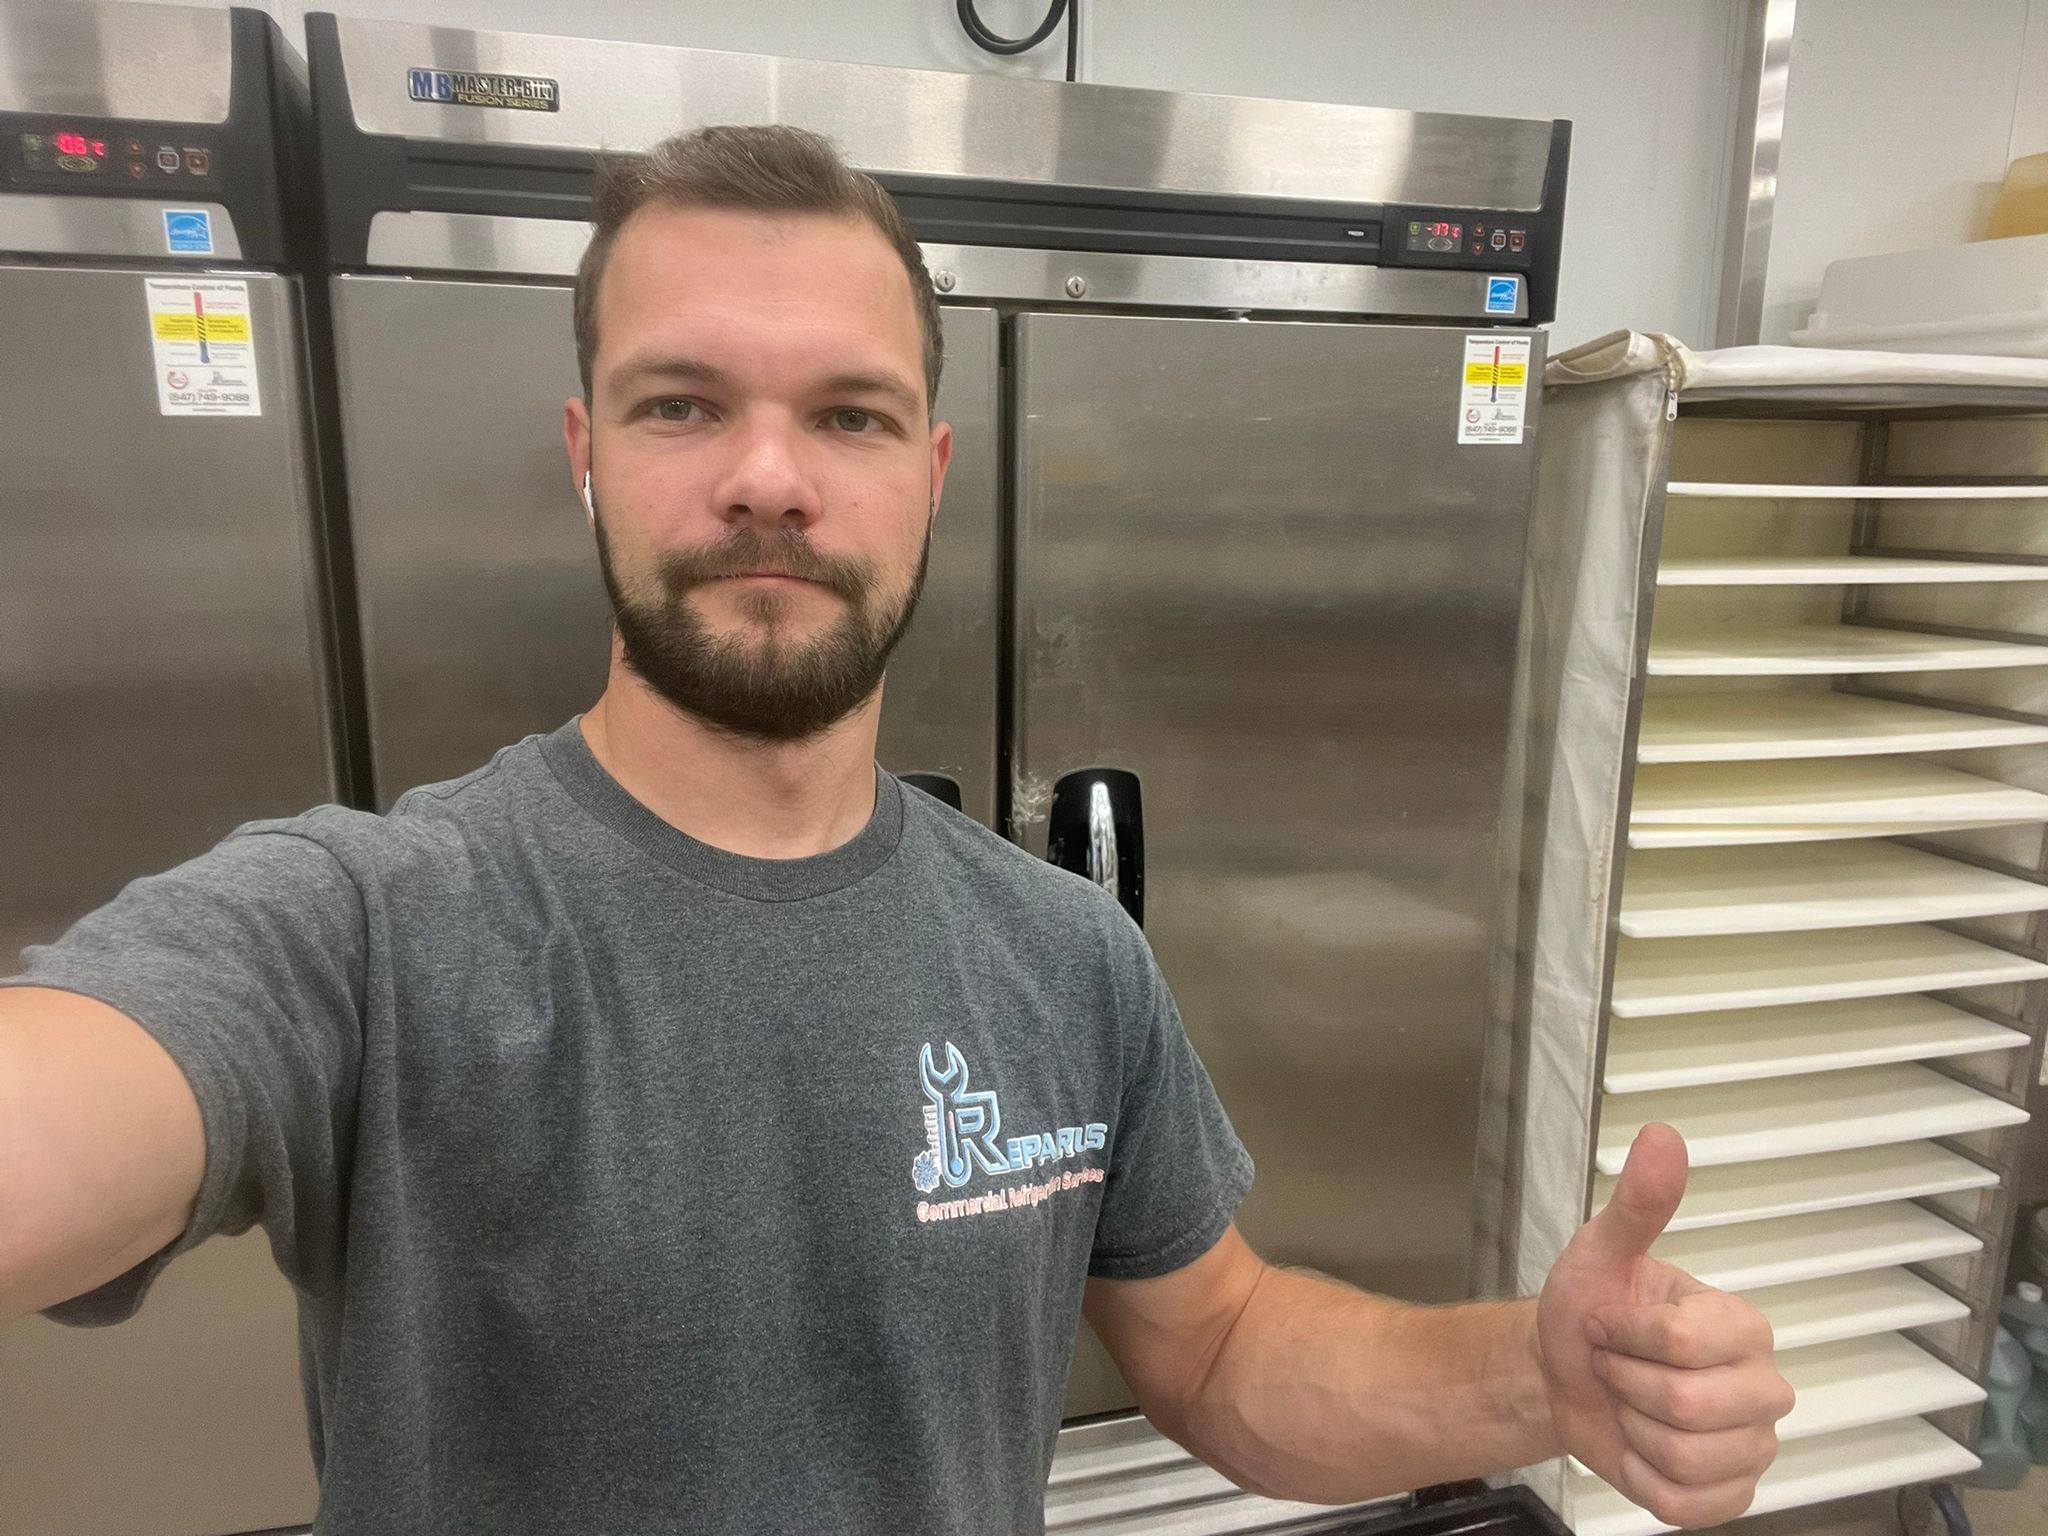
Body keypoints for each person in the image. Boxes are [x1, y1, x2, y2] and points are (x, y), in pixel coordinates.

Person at [0, 125, 1791, 1535]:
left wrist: (1540, 1381)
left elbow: (1229, 1344)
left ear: (928, 474)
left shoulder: (1065, 957)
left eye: (846, 415)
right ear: (584, 450)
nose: (769, 477)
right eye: (683, 403)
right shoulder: (364, 927)